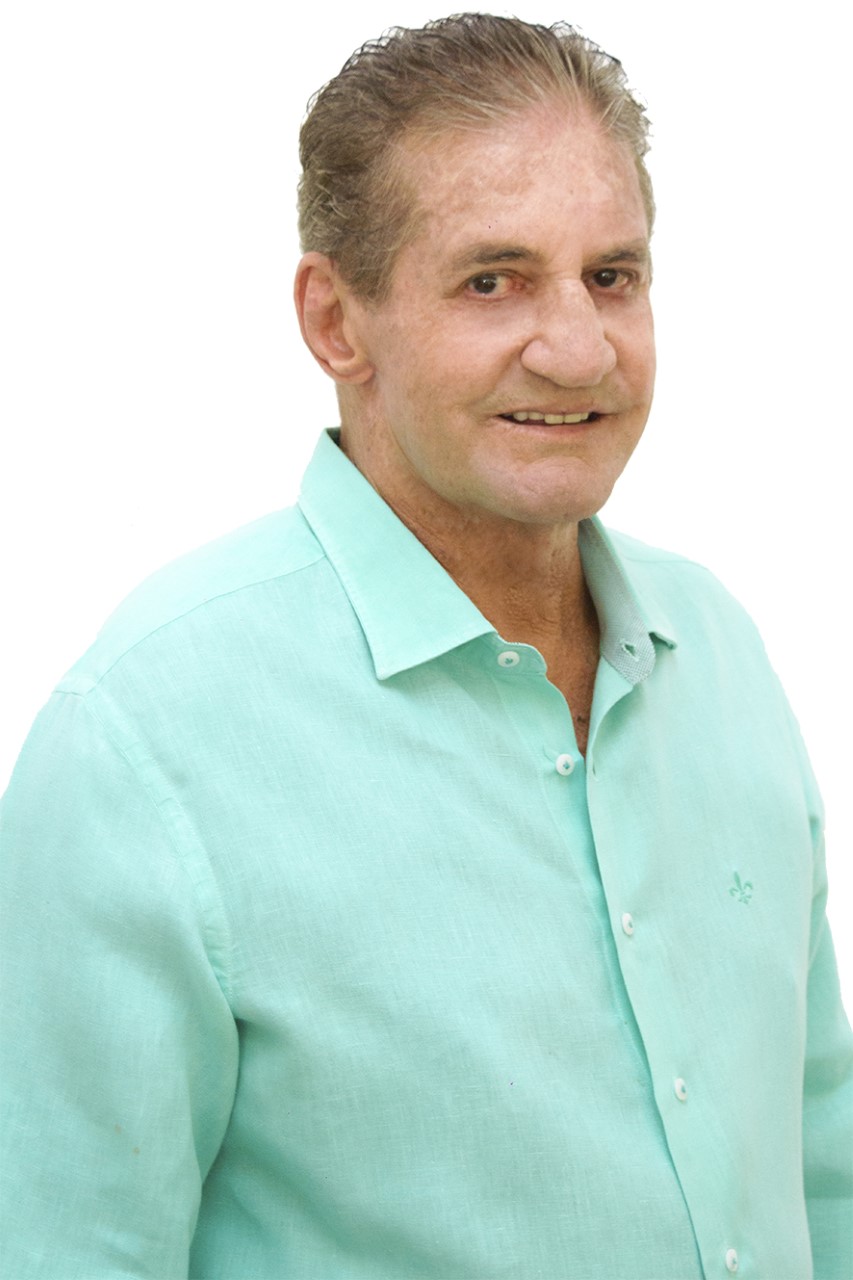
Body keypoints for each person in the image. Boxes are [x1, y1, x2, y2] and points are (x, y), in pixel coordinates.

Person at [1, 12, 851, 1278]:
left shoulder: (717, 652)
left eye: (611, 275)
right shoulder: (142, 742)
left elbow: (821, 1165)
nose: (578, 348)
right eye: (491, 280)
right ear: (335, 321)